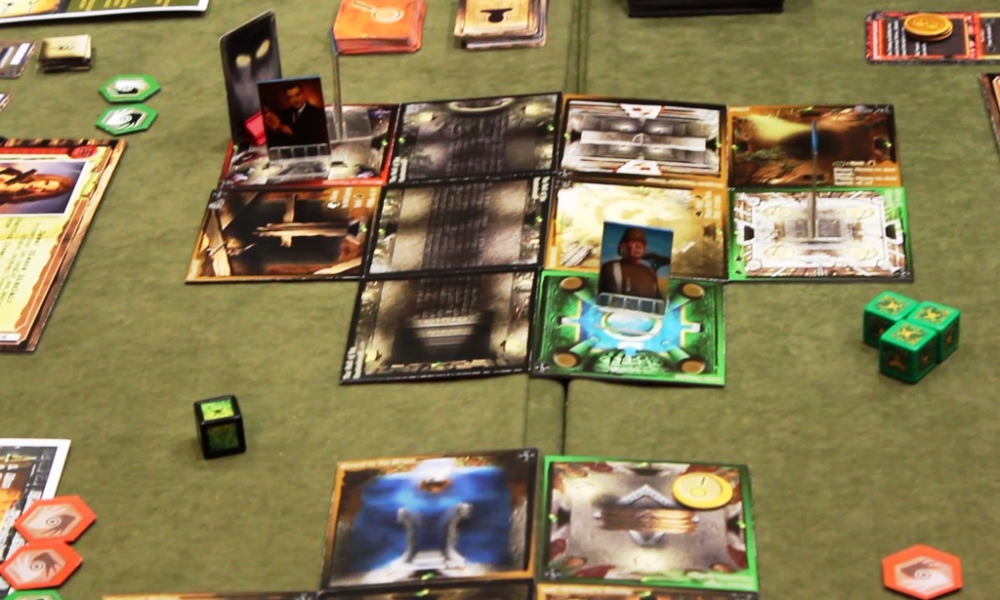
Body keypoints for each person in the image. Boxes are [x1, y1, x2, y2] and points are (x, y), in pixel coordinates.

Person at [598, 227, 669, 300]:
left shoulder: (650, 272)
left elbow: (658, 300)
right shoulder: (610, 268)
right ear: (623, 246)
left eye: (642, 243)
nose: (638, 246)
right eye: (633, 242)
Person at [263, 83, 329, 147]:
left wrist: (292, 134)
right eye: (291, 97)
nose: (295, 100)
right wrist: (277, 129)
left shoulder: (318, 113)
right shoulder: (284, 114)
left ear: (303, 95)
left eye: (298, 95)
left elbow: (318, 139)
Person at [0, 167, 75, 205]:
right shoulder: (12, 173)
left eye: (44, 190)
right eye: (46, 183)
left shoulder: (7, 199)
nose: (39, 187)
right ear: (43, 178)